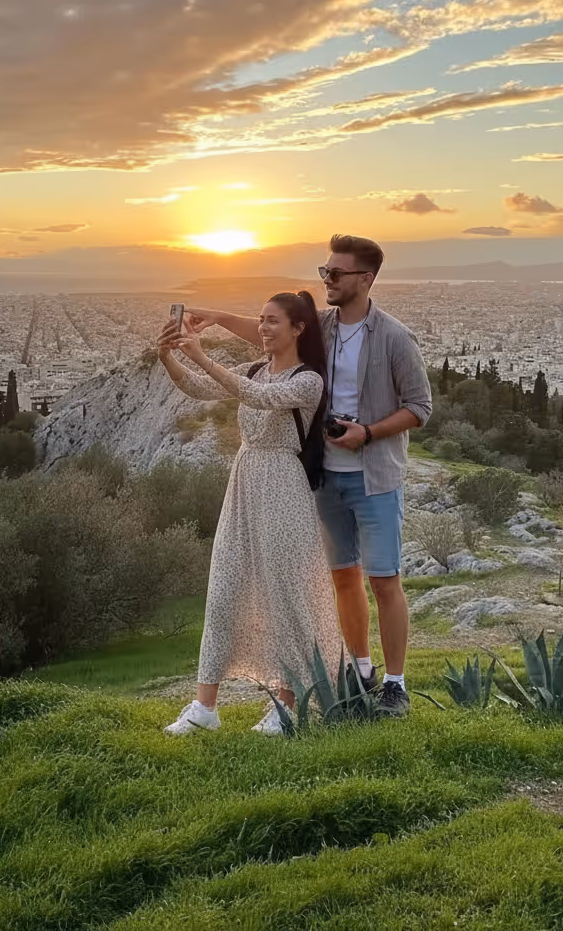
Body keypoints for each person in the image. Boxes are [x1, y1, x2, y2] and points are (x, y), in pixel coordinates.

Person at [185, 235, 432, 717]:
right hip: (321, 476)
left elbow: (420, 407)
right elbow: (267, 332)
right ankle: (360, 669)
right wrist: (214, 316)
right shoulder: (323, 326)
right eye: (325, 272)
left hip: (375, 475)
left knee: (385, 580)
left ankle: (395, 683)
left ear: (366, 278)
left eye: (335, 274)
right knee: (343, 578)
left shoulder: (395, 337)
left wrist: (368, 432)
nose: (327, 281)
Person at [157, 291, 344, 736]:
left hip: (283, 485)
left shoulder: (309, 380)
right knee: (223, 589)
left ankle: (288, 703)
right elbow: (197, 388)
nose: (262, 328)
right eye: (259, 320)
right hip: (244, 482)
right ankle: (205, 708)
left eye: (272, 321)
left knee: (286, 594)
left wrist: (203, 355)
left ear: (298, 328)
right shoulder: (257, 367)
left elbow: (258, 397)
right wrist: (166, 355)